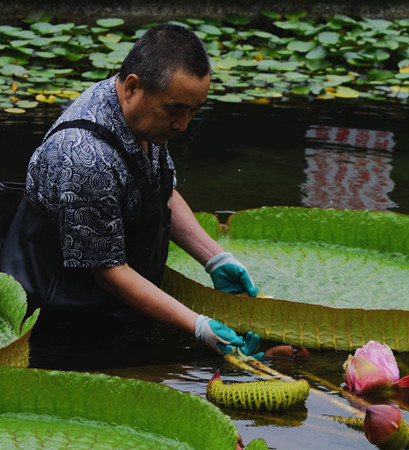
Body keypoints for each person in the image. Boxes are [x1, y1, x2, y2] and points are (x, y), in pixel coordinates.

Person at [0, 23, 260, 365]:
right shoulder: (84, 157)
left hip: (113, 313)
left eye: (193, 111)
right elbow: (109, 271)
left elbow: (159, 190)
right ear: (133, 87)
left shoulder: (142, 114)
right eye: (175, 109)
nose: (183, 124)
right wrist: (197, 325)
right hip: (58, 328)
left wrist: (214, 258)